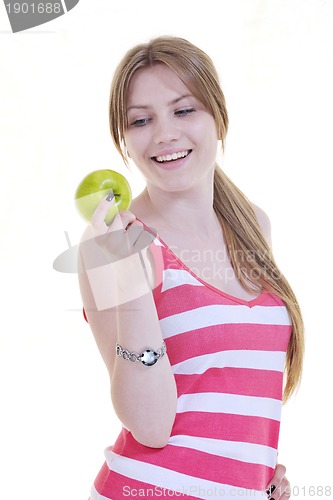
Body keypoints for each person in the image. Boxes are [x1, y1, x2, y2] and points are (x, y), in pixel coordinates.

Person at [78, 36, 304, 499]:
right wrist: (133, 283)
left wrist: (253, 469)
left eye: (184, 110)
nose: (164, 134)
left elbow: (235, 390)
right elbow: (150, 426)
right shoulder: (109, 244)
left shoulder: (253, 224)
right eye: (141, 120)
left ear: (218, 118)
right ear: (125, 139)